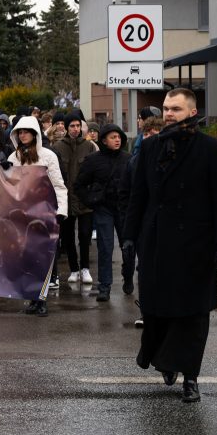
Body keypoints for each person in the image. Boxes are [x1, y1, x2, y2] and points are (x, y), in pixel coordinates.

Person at [122, 89, 217, 403]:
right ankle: (165, 360)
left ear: (192, 112)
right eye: (166, 108)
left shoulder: (212, 149)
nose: (169, 114)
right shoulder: (151, 147)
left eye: (176, 109)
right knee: (156, 311)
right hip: (156, 243)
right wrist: (129, 237)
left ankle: (191, 378)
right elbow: (138, 196)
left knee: (193, 315)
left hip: (196, 246)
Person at [6, 115, 68, 318]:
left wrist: (61, 210)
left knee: (42, 256)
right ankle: (33, 298)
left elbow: (58, 185)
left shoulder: (48, 156)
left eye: (26, 132)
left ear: (35, 134)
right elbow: (9, 185)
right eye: (20, 132)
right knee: (26, 257)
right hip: (21, 213)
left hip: (44, 211)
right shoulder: (13, 157)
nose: (23, 135)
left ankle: (42, 299)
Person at [73, 124, 130, 302]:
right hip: (103, 208)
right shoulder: (93, 160)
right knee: (105, 247)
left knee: (128, 246)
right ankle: (104, 286)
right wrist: (90, 200)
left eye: (119, 137)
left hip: (124, 208)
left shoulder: (128, 159)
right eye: (113, 137)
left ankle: (128, 276)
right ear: (104, 141)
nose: (117, 140)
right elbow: (79, 185)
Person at [118, 116, 163, 324]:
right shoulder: (134, 162)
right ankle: (146, 311)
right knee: (145, 268)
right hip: (144, 225)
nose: (149, 138)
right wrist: (129, 229)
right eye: (146, 134)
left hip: (166, 223)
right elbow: (126, 194)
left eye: (153, 134)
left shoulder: (173, 158)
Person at [52, 111, 97, 289]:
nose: (75, 129)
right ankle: (74, 269)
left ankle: (85, 268)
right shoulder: (57, 147)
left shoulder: (89, 146)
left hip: (84, 198)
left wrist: (92, 193)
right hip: (65, 199)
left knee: (85, 235)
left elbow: (95, 172)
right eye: (72, 126)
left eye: (78, 125)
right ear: (66, 127)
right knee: (68, 236)